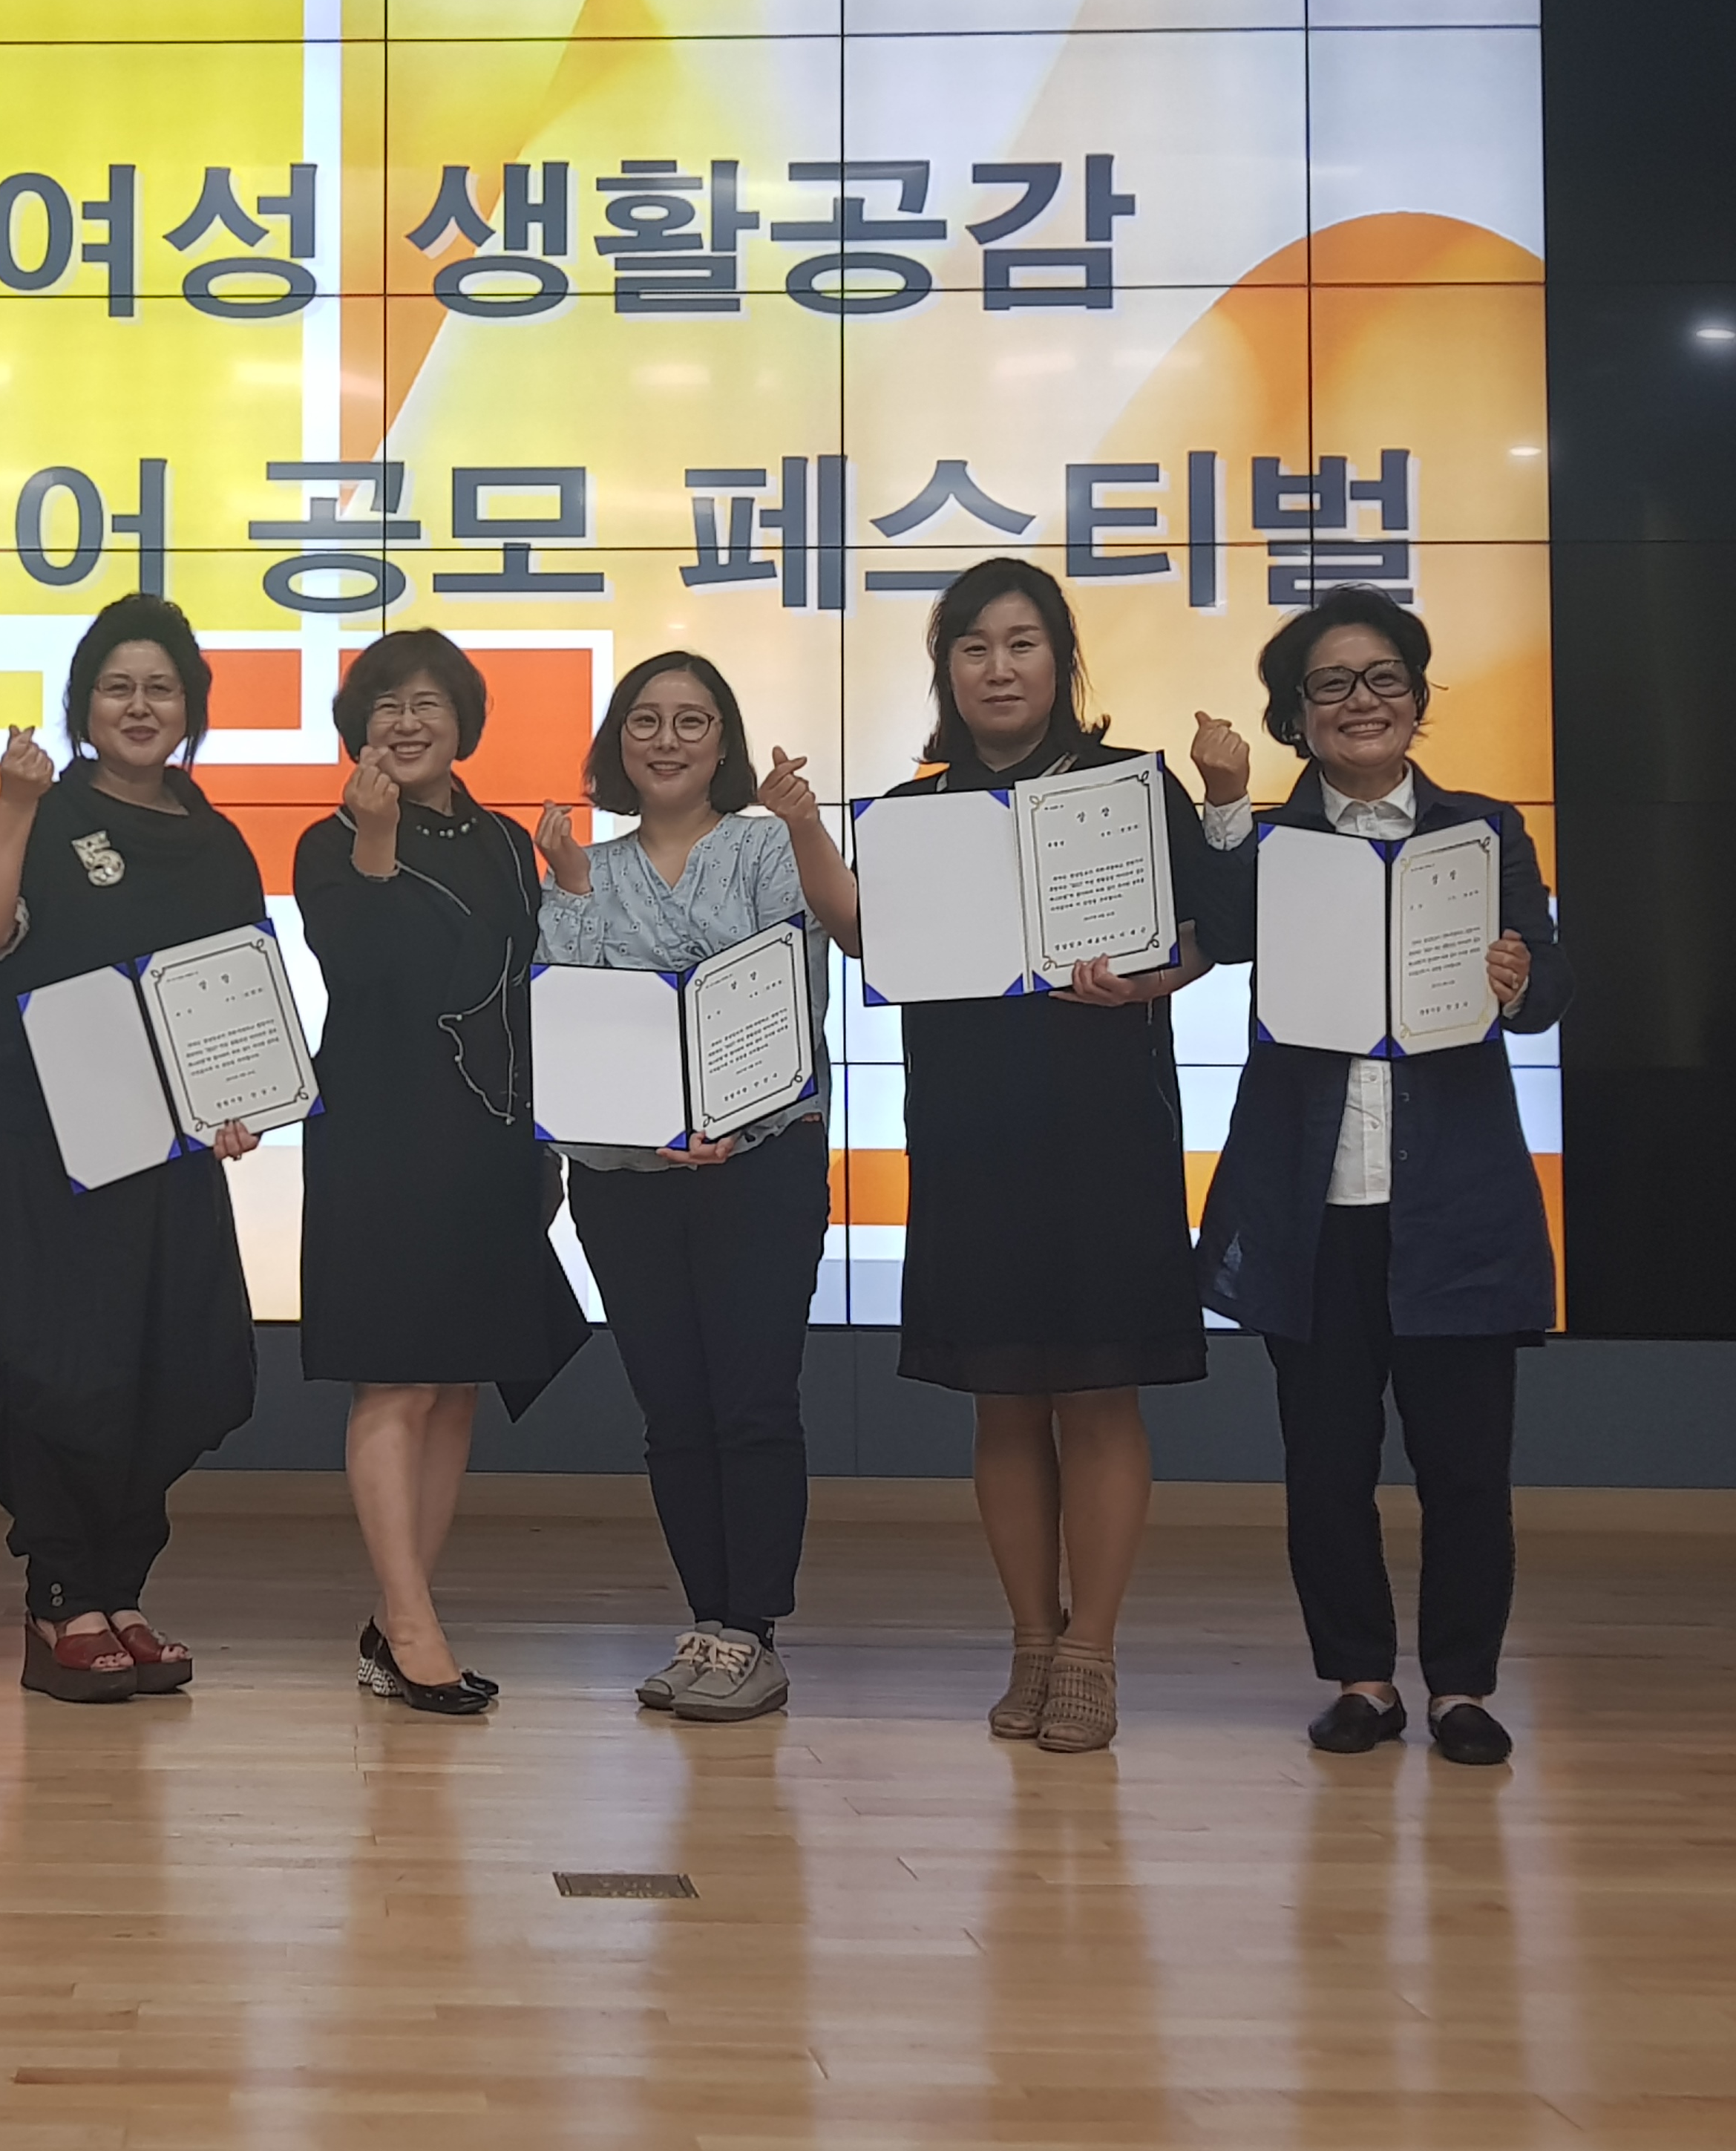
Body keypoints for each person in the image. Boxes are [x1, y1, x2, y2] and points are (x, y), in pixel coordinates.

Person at [776, 557, 1227, 1752]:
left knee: (1100, 1393)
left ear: (1060, 660)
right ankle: (1032, 1639)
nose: (998, 667)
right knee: (1004, 1402)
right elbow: (869, 936)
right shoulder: (916, 807)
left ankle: (1093, 1653)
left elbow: (1206, 937)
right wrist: (805, 828)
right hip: (972, 1133)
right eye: (973, 647)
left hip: (1105, 1132)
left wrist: (1151, 981)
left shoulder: (1133, 787)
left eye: (1022, 643)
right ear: (947, 671)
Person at [1187, 588, 1568, 1767]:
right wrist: (1222, 803)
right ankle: (1360, 1679)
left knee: (1467, 1467)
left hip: (1455, 1202)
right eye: (1332, 684)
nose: (1363, 701)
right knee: (1326, 1465)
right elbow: (1223, 937)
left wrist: (1517, 979)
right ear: (1296, 716)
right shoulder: (1272, 841)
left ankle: (1460, 1688)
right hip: (1315, 1207)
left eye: (1385, 676)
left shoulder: (1483, 830)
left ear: (1416, 695)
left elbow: (1548, 993)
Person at [0, 594, 266, 1703]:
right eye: (117, 687)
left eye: (160, 688)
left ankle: (121, 1589)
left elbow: (240, 994)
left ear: (190, 710)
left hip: (168, 1152)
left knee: (165, 1365)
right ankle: (60, 1596)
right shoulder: (44, 808)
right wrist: (12, 803)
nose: (139, 705)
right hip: (46, 1148)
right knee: (53, 1364)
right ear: (83, 705)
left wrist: (240, 1102)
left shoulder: (217, 841)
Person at [533, 652, 833, 1724]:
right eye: (645, 720)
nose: (666, 740)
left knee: (752, 1402)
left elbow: (785, 993)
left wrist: (729, 1120)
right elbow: (572, 1012)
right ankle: (709, 1625)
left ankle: (753, 1630)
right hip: (625, 1179)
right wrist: (568, 885)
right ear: (617, 740)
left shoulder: (764, 845)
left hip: (759, 1165)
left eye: (692, 720)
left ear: (724, 742)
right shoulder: (586, 864)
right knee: (671, 1410)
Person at [298, 628, 591, 1718]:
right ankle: (413, 1627)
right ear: (358, 729)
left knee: (458, 1378)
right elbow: (362, 971)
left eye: (428, 703)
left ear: (463, 721)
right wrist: (376, 845)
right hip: (380, 1132)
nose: (408, 721)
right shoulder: (330, 841)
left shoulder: (508, 843)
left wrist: (575, 885)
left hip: (490, 1137)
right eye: (387, 705)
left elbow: (538, 983)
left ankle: (398, 1616)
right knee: (396, 1377)